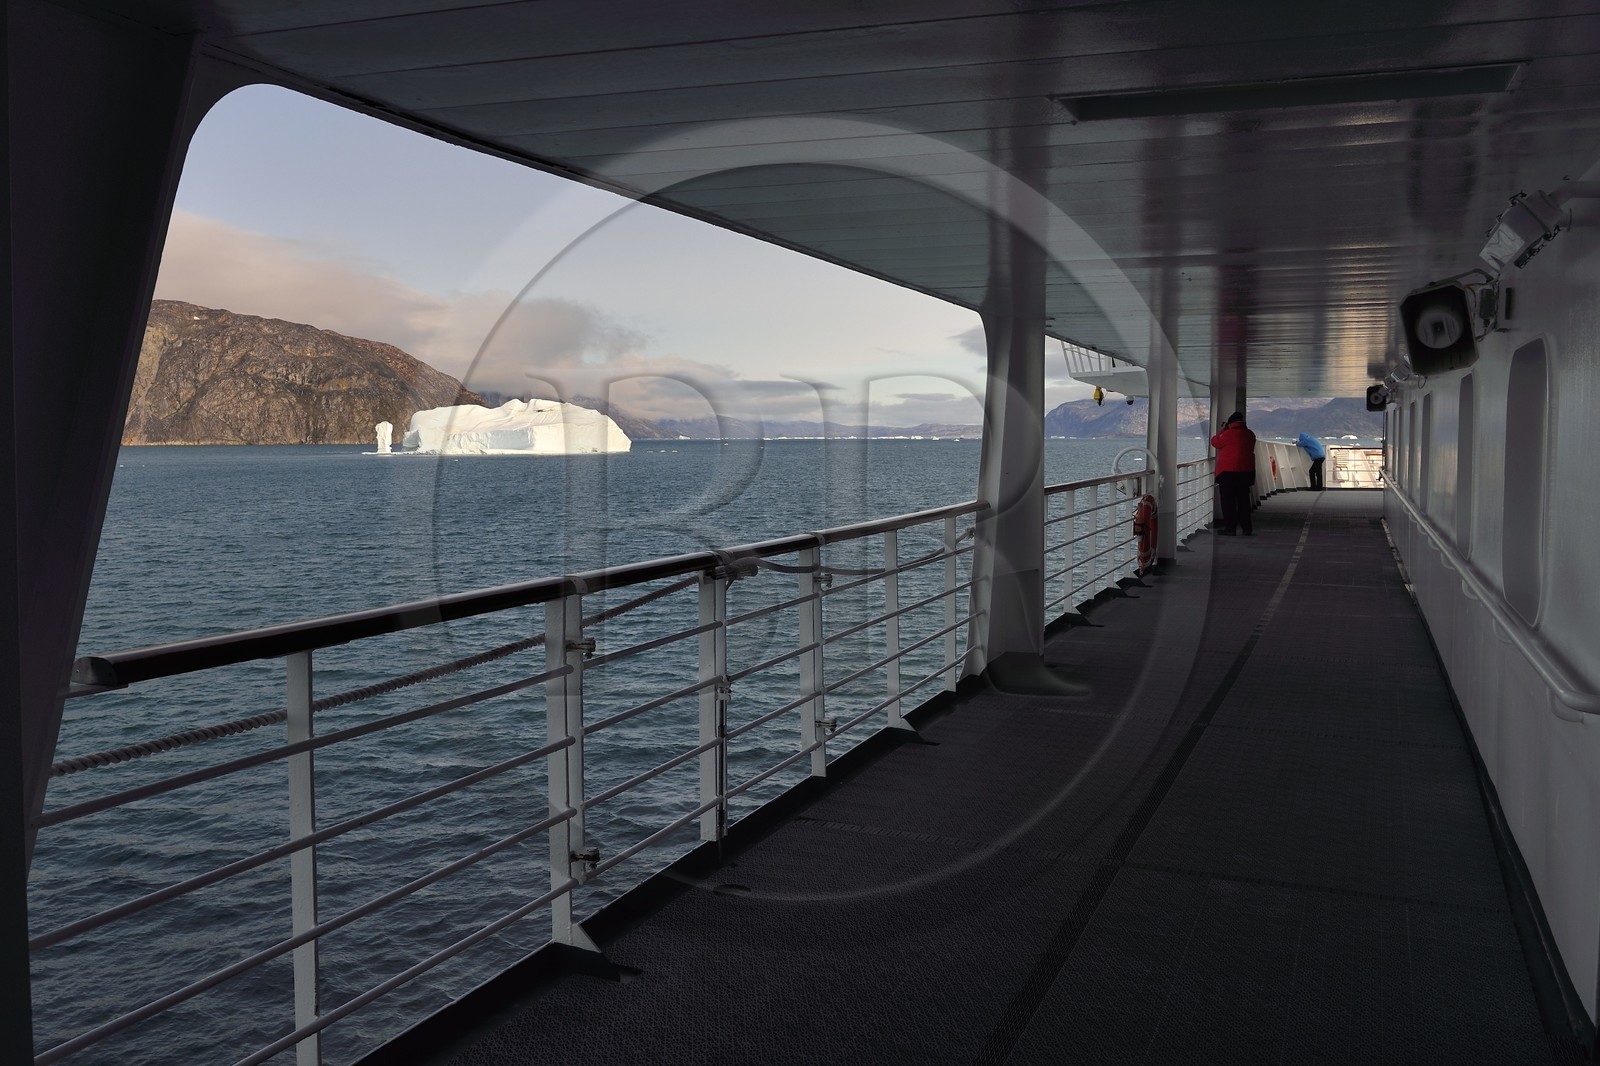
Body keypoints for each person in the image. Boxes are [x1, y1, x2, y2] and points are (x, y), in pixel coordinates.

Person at [1211, 411, 1257, 536]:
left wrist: (1222, 430)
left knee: (1228, 502)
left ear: (1230, 423)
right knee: (1243, 501)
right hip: (1246, 473)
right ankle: (1247, 528)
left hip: (1227, 473)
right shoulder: (1250, 434)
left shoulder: (1227, 434)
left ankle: (1230, 528)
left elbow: (1215, 442)